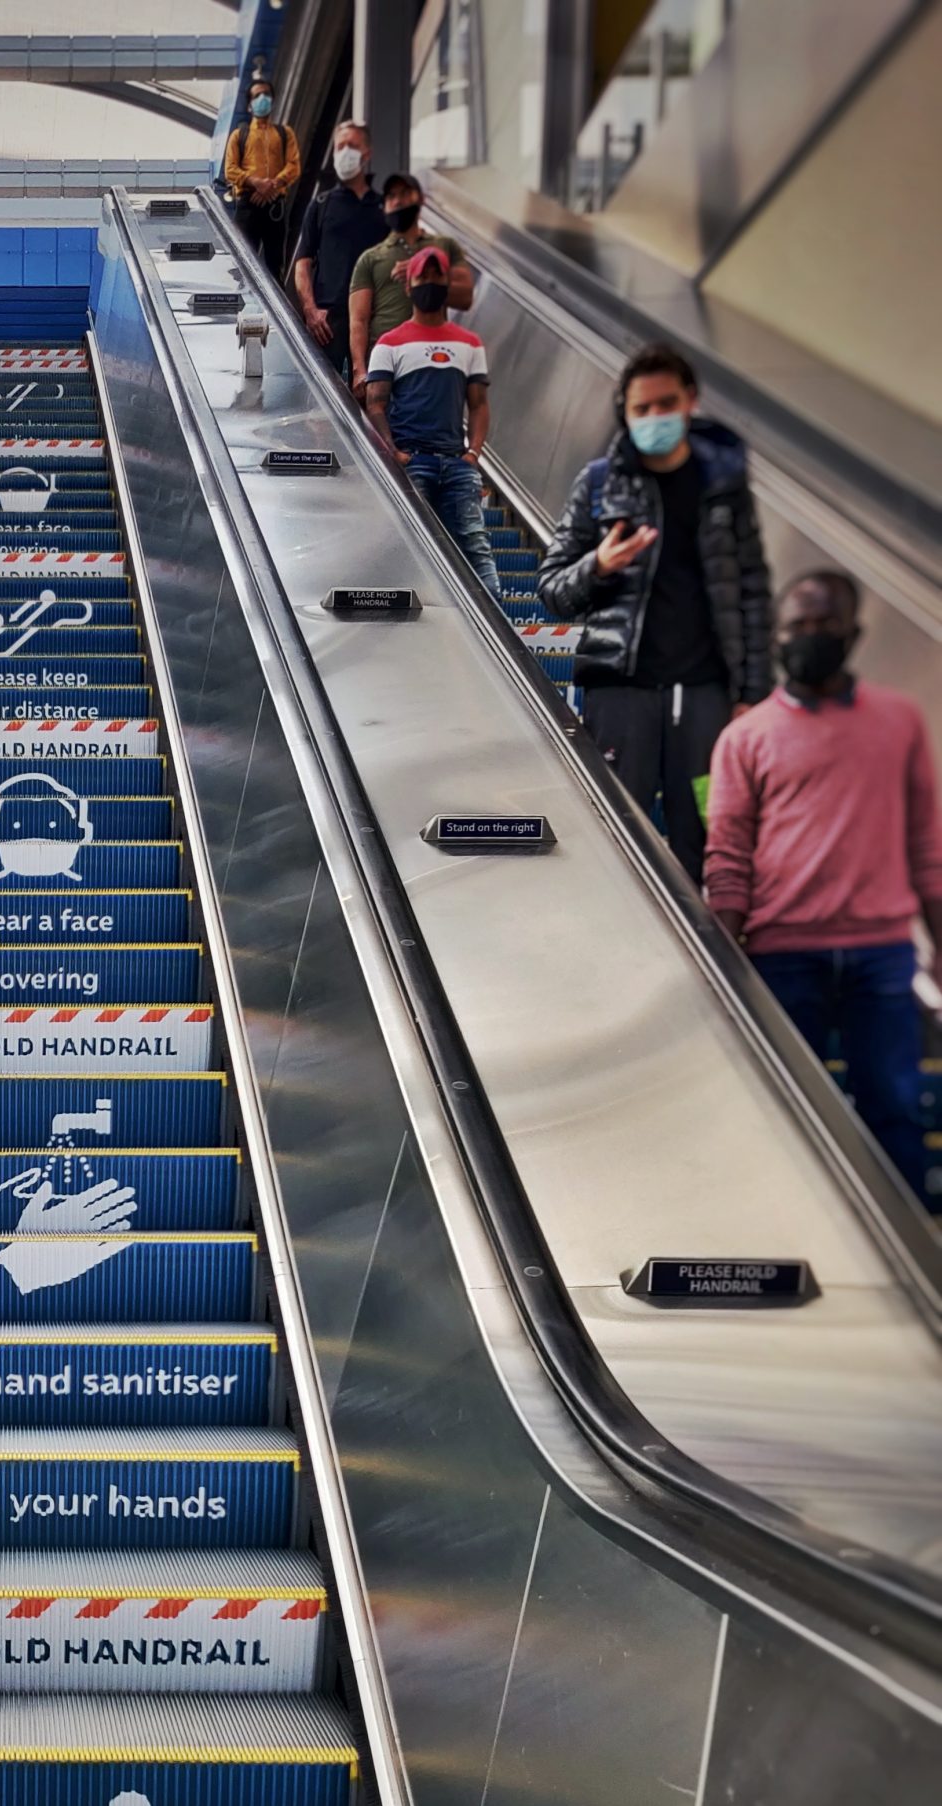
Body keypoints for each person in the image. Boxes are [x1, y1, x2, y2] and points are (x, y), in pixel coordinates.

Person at [704, 571, 941, 1200]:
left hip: (882, 953)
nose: (810, 637)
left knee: (894, 1107)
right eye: (798, 626)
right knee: (784, 1113)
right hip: (782, 955)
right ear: (777, 636)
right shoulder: (744, 737)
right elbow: (727, 857)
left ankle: (912, 1266)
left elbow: (926, 846)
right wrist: (725, 960)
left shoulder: (899, 722)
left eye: (825, 626)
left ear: (853, 633)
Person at [538, 343, 770, 881]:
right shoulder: (598, 485)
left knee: (710, 833)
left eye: (666, 405)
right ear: (626, 411)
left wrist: (753, 695)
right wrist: (597, 565)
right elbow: (551, 588)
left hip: (708, 696)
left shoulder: (723, 487)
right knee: (619, 835)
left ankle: (707, 958)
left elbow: (753, 594)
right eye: (642, 410)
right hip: (621, 690)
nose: (654, 419)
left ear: (690, 401)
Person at [363, 246, 499, 597]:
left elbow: (479, 404)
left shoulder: (468, 343)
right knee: (410, 548)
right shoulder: (389, 343)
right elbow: (375, 402)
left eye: (437, 276)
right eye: (422, 276)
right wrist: (393, 451)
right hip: (412, 460)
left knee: (476, 549)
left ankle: (497, 630)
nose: (430, 282)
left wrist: (474, 453)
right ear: (408, 286)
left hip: (456, 463)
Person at [347, 172, 472, 383]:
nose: (397, 200)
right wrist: (360, 370)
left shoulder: (445, 246)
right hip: (386, 359)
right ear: (384, 205)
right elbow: (359, 319)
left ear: (420, 198)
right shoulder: (370, 258)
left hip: (433, 354)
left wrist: (424, 276)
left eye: (405, 193)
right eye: (391, 196)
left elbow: (465, 297)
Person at [291, 120, 387, 383]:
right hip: (328, 322)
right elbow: (302, 263)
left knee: (372, 396)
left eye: (352, 146)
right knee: (322, 399)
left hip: (373, 321)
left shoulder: (383, 209)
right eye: (340, 146)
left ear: (366, 154)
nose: (345, 152)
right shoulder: (321, 205)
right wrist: (310, 310)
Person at [223, 79, 302, 279]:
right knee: (243, 262)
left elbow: (294, 166)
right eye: (257, 95)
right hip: (248, 204)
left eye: (266, 94)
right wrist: (256, 183)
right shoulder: (239, 135)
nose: (262, 99)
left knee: (275, 265)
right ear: (249, 105)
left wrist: (272, 185)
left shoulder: (285, 133)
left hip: (275, 204)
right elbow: (230, 170)